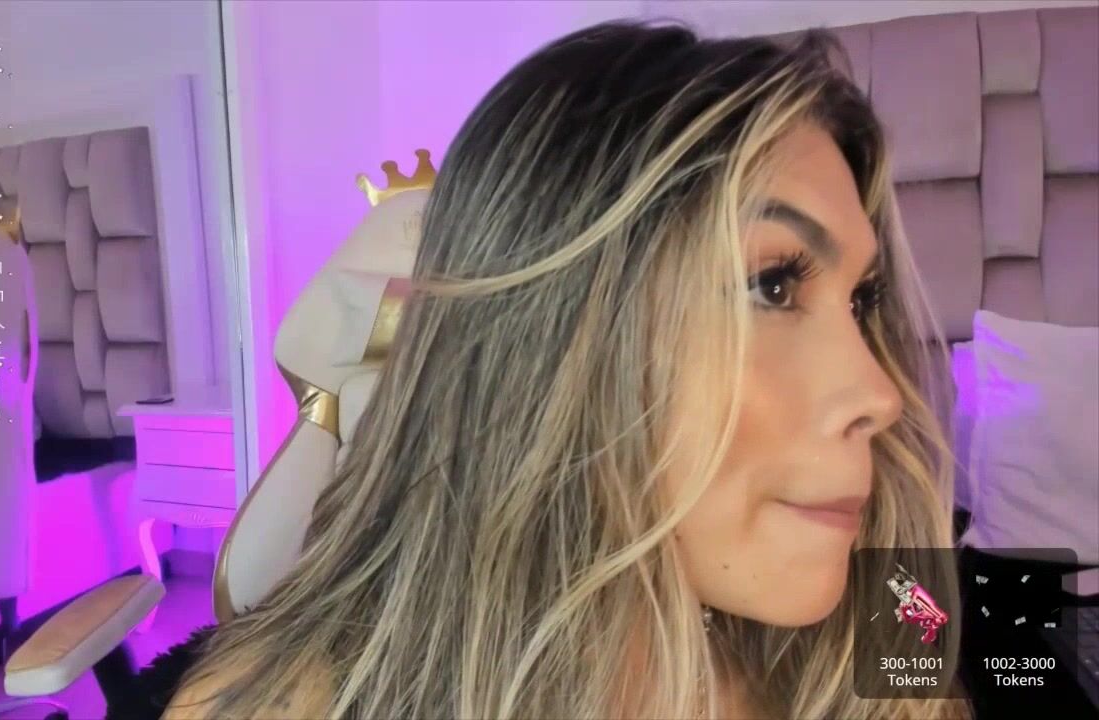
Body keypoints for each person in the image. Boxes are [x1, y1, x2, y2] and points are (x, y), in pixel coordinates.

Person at [166, 20, 970, 720]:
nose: (880, 396)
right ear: (549, 334)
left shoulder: (884, 653)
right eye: (772, 285)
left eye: (861, 301)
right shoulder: (277, 706)